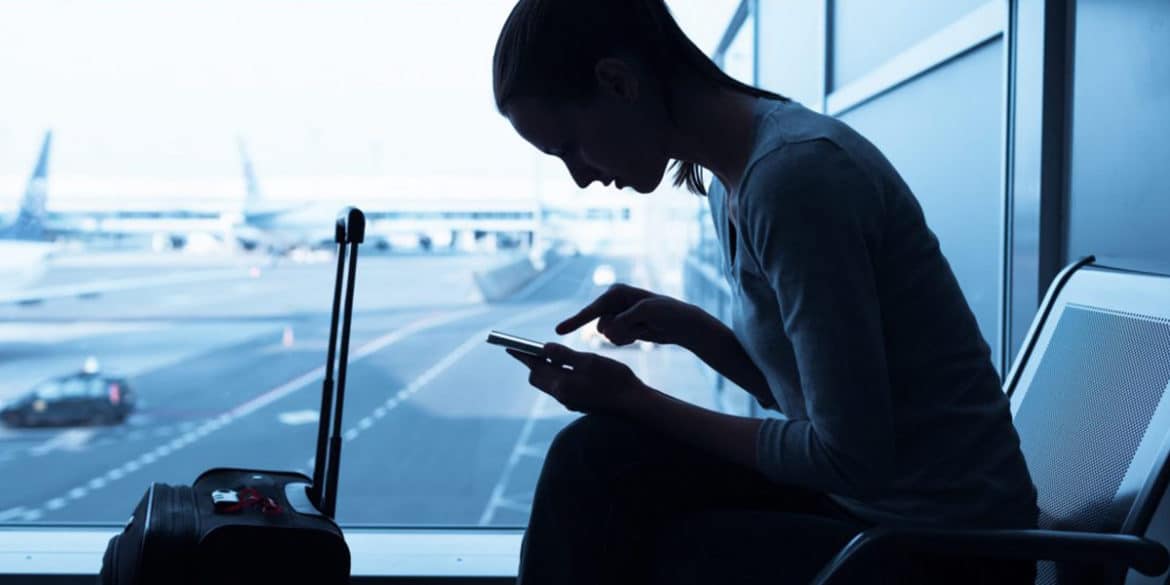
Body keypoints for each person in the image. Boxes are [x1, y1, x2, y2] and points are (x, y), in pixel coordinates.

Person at [492, 1, 1038, 583]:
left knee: (641, 520)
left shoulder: (793, 182)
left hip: (948, 550)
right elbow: (818, 411)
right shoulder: (735, 179)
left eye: (569, 146)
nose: (579, 177)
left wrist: (633, 399)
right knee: (594, 460)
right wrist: (691, 330)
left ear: (618, 82)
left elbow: (850, 457)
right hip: (882, 510)